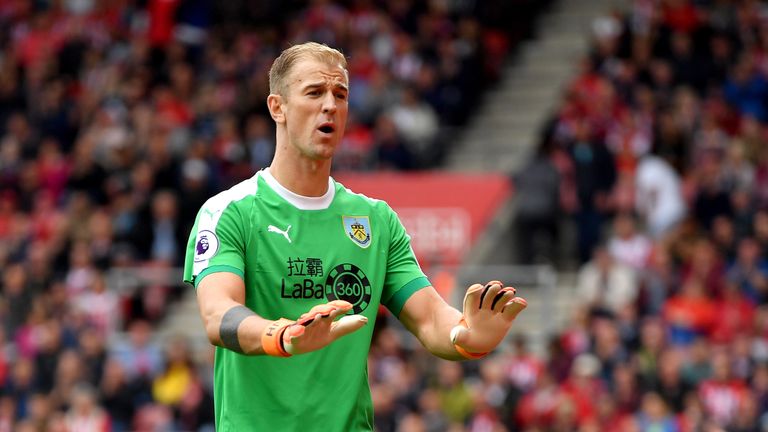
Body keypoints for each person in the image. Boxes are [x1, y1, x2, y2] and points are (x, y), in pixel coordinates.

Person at [183, 42, 528, 431]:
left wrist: (466, 335)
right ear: (277, 107)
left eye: (340, 94)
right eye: (314, 92)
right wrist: (281, 336)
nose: (330, 104)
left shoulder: (375, 220)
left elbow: (431, 318)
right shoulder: (229, 211)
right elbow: (217, 315)